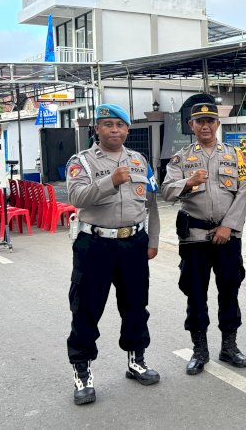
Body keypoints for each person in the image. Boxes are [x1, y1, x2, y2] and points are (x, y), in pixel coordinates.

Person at [65, 103, 160, 406]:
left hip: (133, 243)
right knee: (86, 309)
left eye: (120, 126)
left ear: (128, 130)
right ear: (97, 129)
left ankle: (136, 360)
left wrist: (152, 239)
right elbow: (77, 196)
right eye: (108, 125)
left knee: (135, 306)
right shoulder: (81, 161)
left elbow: (151, 203)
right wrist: (110, 182)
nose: (114, 130)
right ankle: (82, 372)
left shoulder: (139, 159)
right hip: (95, 245)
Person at [161, 103, 246, 375]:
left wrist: (229, 226)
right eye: (199, 121)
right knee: (196, 294)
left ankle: (229, 346)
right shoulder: (180, 159)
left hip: (227, 236)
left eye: (210, 120)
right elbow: (166, 191)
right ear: (191, 125)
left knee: (229, 291)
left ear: (217, 123)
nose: (205, 126)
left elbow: (244, 191)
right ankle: (199, 350)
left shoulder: (236, 156)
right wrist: (187, 183)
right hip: (194, 237)